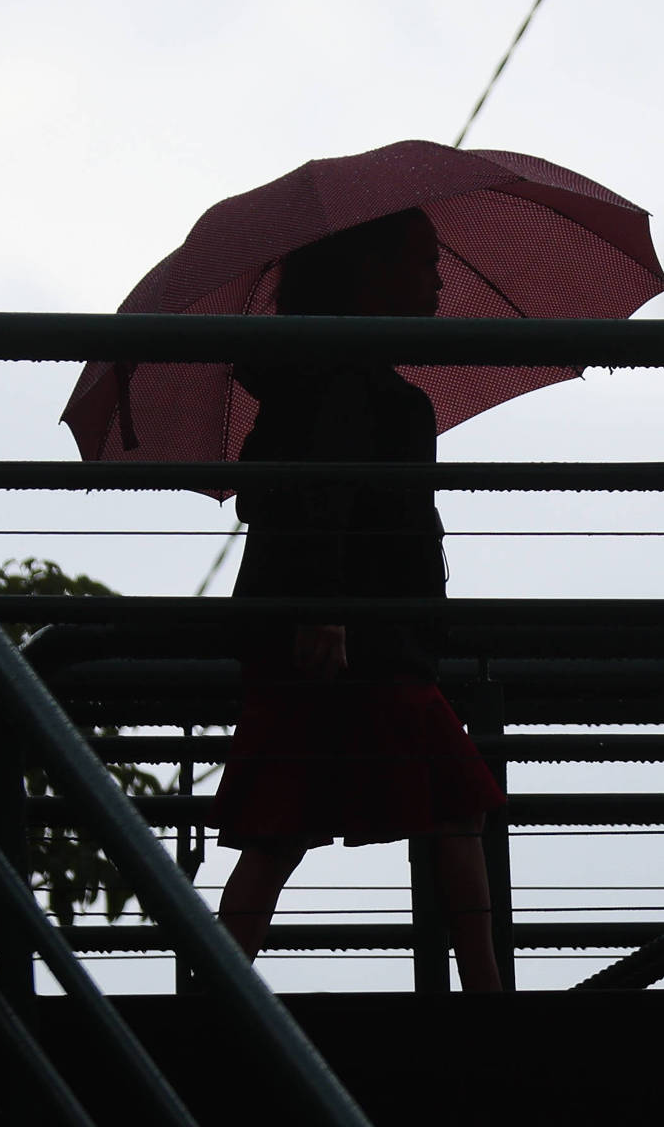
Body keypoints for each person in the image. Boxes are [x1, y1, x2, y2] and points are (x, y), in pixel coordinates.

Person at [212, 206, 506, 991]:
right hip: (364, 635)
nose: (438, 277)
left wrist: (318, 605)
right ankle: (487, 993)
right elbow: (327, 495)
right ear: (370, 277)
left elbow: (304, 495)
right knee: (449, 805)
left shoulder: (314, 380)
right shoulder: (354, 383)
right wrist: (326, 606)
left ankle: (217, 995)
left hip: (336, 630)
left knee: (281, 825)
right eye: (422, 261)